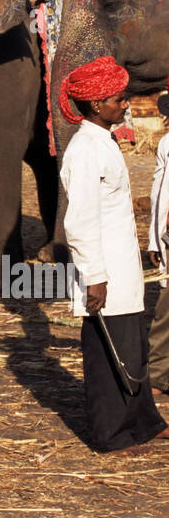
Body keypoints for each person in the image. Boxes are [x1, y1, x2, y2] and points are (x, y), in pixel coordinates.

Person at [59, 56, 169, 454]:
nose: (125, 105)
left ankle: (144, 422)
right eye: (118, 100)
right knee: (109, 355)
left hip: (123, 267)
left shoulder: (102, 143)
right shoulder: (84, 150)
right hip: (104, 270)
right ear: (95, 106)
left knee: (131, 346)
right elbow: (80, 220)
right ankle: (112, 433)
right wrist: (94, 275)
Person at [147, 89, 169, 404]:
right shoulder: (166, 144)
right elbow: (159, 194)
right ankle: (158, 373)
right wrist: (154, 238)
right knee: (166, 307)